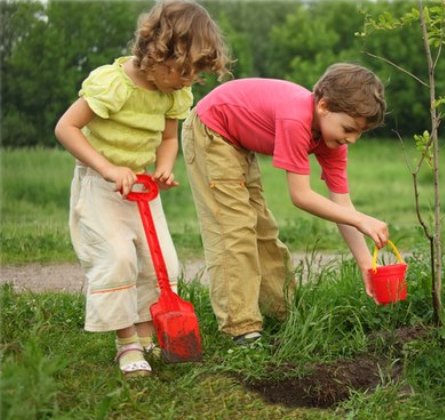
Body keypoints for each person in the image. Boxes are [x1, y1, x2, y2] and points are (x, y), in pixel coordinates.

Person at [54, 0, 229, 377]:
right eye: (183, 71)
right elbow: (65, 128)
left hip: (141, 187)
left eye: (194, 75)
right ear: (156, 52)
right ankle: (127, 342)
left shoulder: (173, 93)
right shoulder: (113, 84)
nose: (187, 81)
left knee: (161, 263)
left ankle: (149, 336)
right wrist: (106, 167)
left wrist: (164, 168)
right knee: (118, 257)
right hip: (100, 186)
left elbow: (168, 138)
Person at [181, 63, 390, 345]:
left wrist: (367, 264)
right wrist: (361, 219)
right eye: (349, 128)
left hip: (238, 143)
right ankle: (241, 328)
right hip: (211, 131)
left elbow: (342, 206)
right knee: (235, 230)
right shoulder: (297, 119)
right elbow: (301, 196)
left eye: (359, 133)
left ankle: (282, 313)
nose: (352, 139)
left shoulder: (333, 142)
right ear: (324, 106)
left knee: (263, 230)